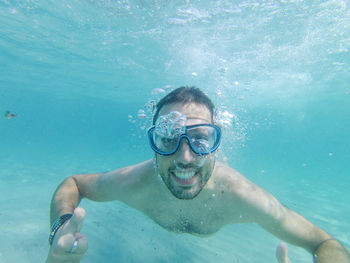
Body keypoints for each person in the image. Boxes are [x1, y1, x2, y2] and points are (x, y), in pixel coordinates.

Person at [46, 86, 350, 263]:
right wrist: (59, 228)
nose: (185, 157)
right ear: (154, 143)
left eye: (201, 140)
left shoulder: (242, 196)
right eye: (168, 139)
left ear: (217, 145)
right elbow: (73, 183)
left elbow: (324, 243)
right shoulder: (134, 183)